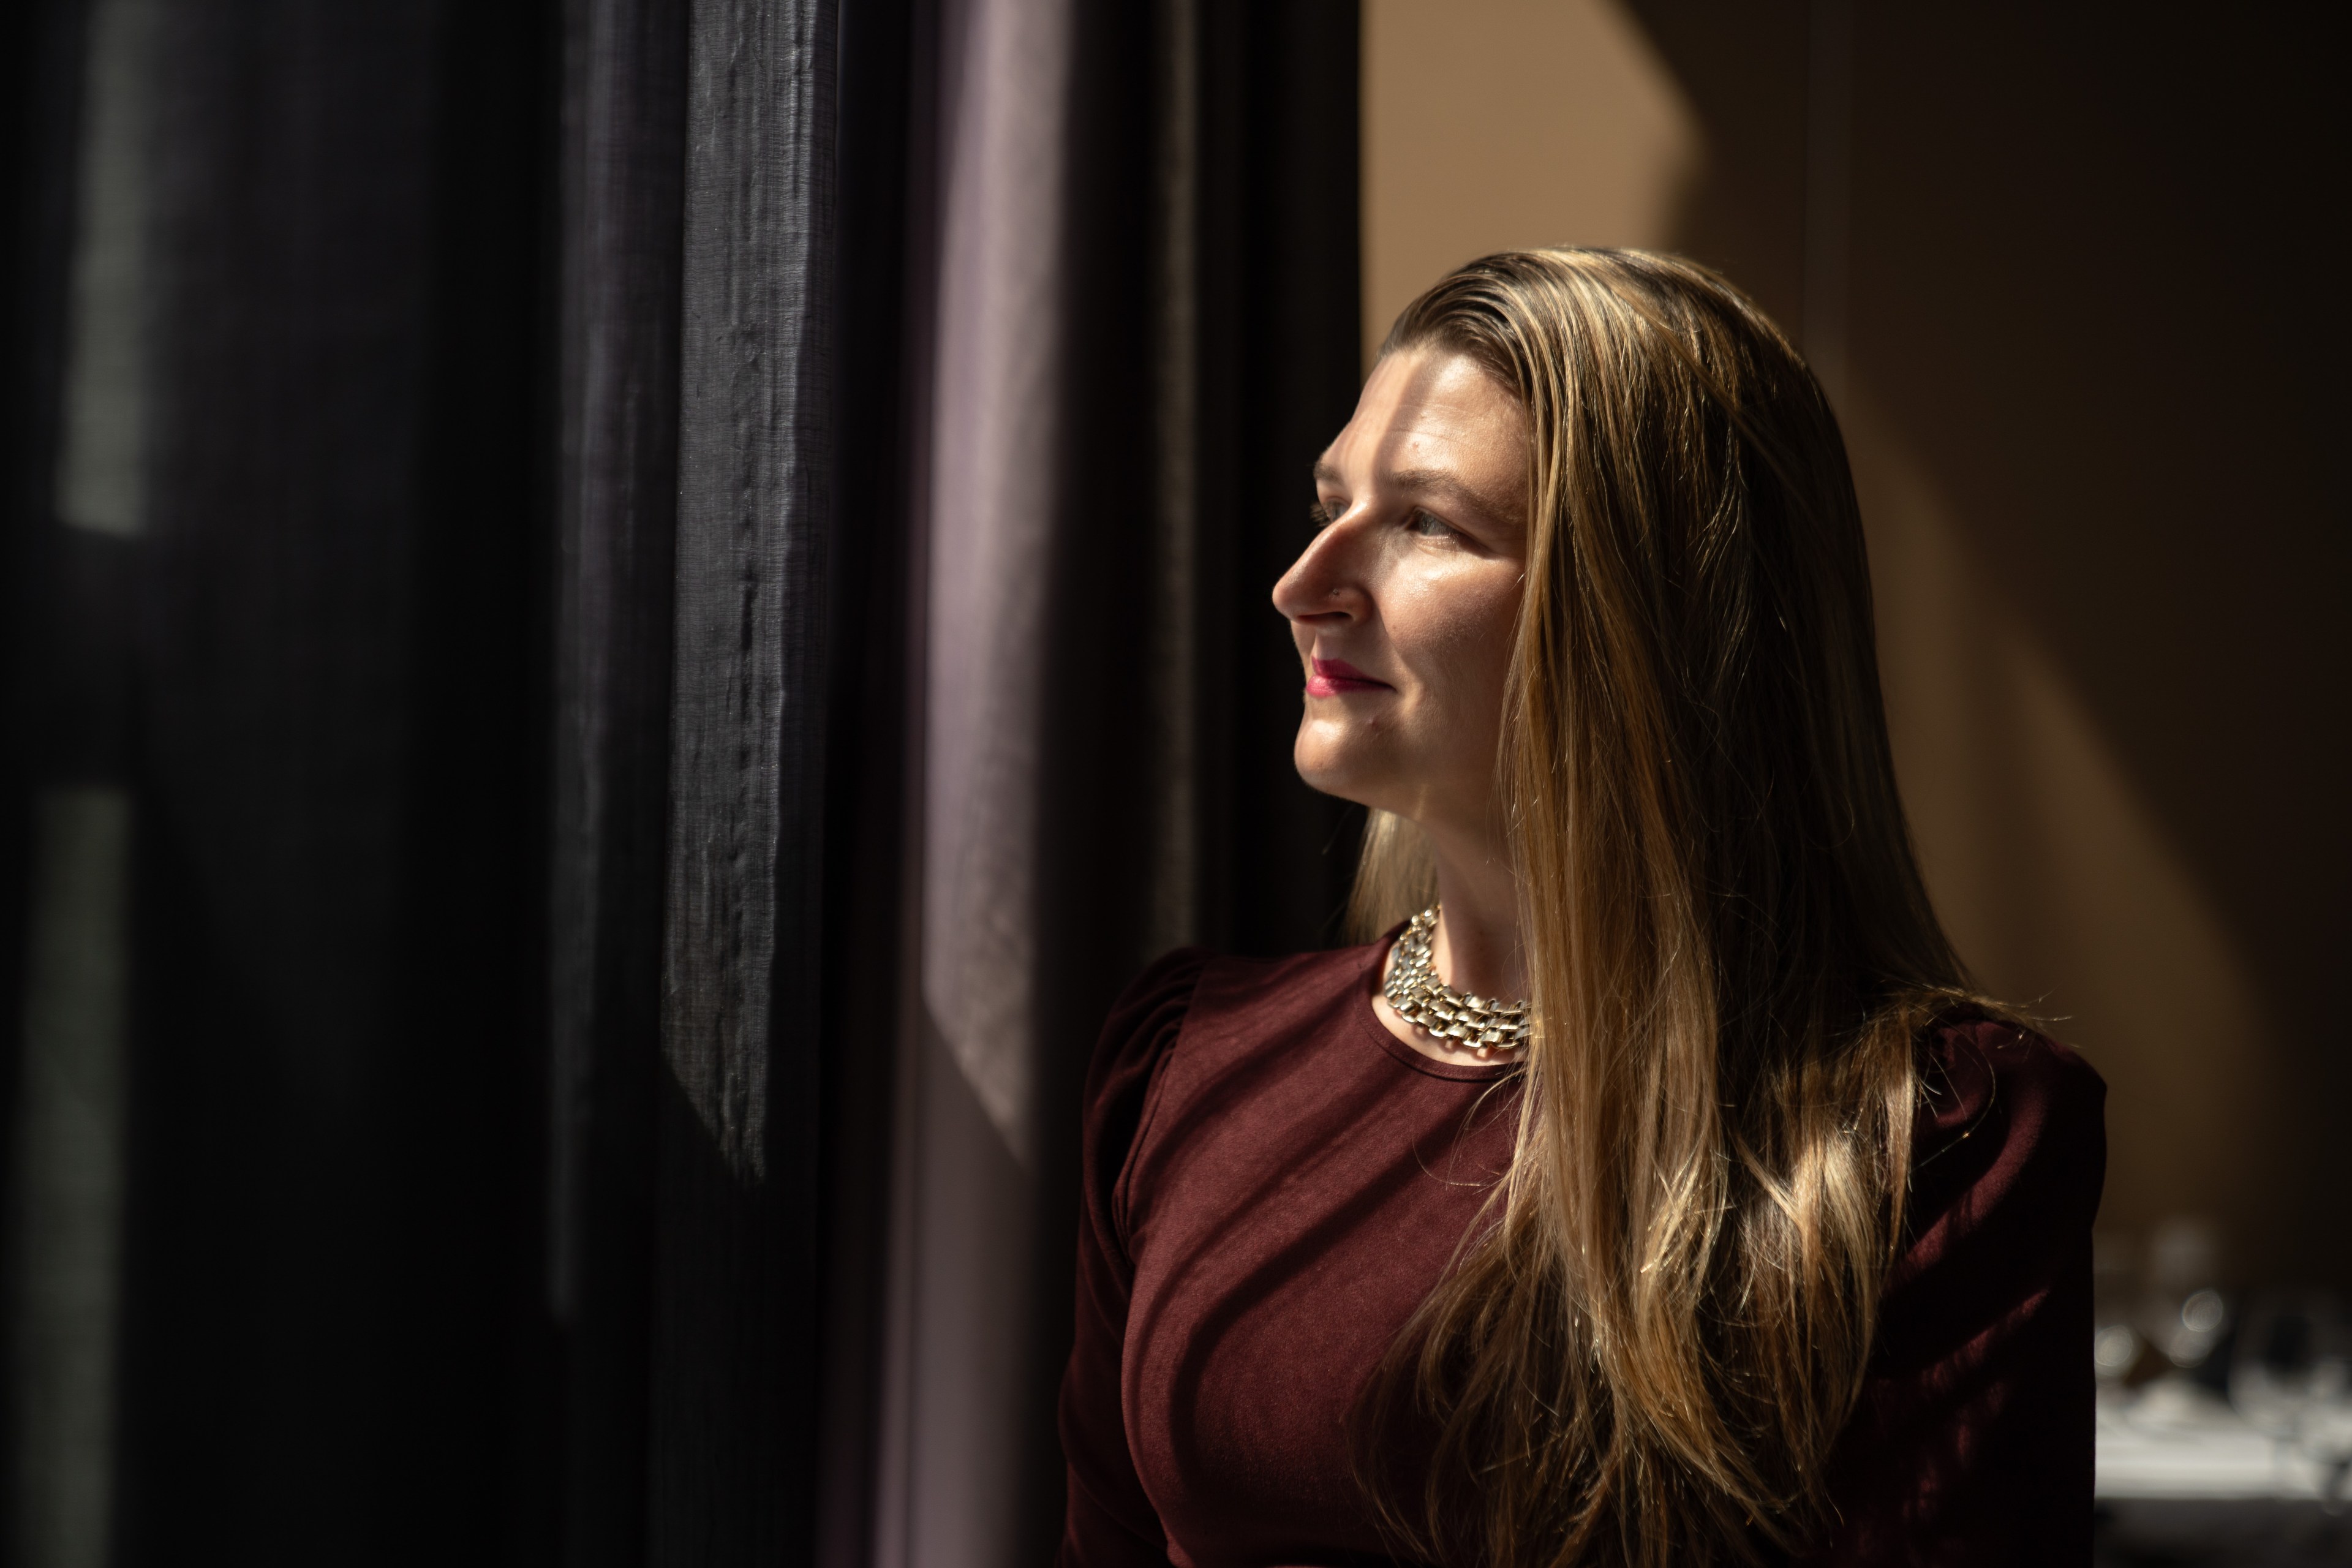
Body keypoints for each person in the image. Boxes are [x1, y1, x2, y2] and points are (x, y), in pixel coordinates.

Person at [1057, 250, 2106, 1567]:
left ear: (1645, 616)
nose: (1304, 582)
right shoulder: (1187, 1068)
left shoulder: (1927, 1142)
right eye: (1329, 505)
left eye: (1427, 522)